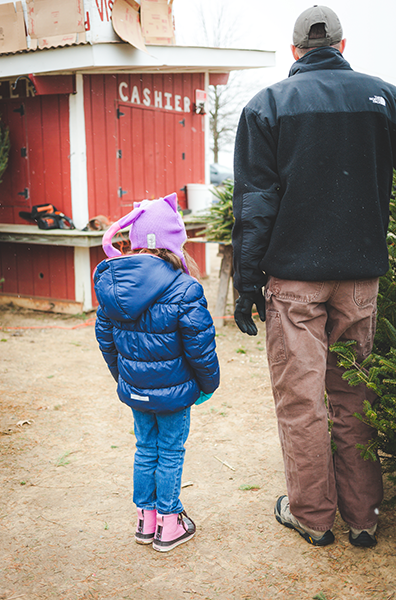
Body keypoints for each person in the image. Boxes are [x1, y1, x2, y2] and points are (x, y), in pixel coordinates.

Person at [232, 5, 396, 548]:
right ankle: (365, 516)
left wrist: (246, 285)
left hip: (295, 282)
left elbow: (255, 203)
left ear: (295, 51)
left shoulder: (268, 105)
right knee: (354, 395)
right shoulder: (384, 99)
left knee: (302, 400)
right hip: (360, 281)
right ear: (343, 47)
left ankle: (312, 517)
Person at [94, 193, 220, 552]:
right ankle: (168, 524)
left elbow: (106, 341)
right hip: (175, 394)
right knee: (170, 452)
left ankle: (144, 520)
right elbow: (201, 346)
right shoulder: (185, 288)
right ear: (174, 243)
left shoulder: (113, 286)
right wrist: (208, 385)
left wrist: (124, 377)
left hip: (136, 391)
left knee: (145, 449)